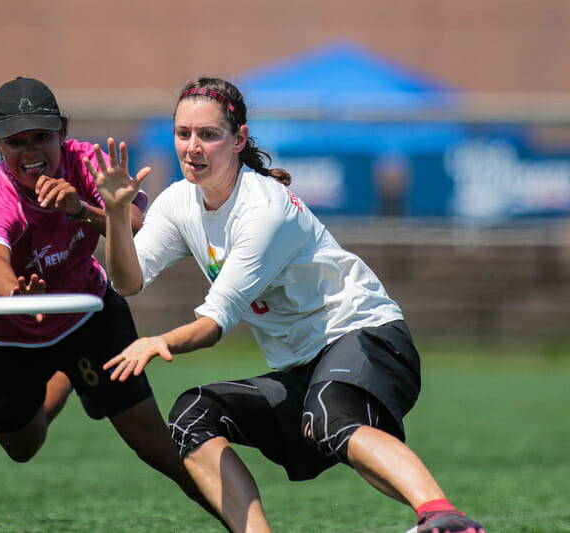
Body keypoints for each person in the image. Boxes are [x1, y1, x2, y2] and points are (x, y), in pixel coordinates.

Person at [89, 77, 485, 533]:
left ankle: (444, 518)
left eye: (208, 135)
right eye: (183, 134)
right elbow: (128, 280)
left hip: (367, 335)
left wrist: (158, 342)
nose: (192, 147)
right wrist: (117, 215)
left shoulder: (264, 209)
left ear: (238, 140)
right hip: (304, 367)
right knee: (192, 415)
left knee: (331, 410)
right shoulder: (179, 201)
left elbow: (215, 323)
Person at [0, 76, 217, 521]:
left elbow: (134, 224)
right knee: (23, 447)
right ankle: (67, 374)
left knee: (157, 446)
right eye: (18, 141)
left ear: (63, 133)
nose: (33, 151)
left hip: (86, 313)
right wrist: (15, 294)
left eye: (43, 137)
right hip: (6, 333)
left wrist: (81, 209)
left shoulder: (87, 162)